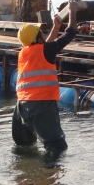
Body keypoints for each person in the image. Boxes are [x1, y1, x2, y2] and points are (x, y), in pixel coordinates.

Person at [12, 16, 78, 163]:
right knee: (57, 145)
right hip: (41, 104)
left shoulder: (24, 52)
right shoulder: (46, 50)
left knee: (25, 146)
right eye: (40, 33)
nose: (43, 34)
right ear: (37, 37)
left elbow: (45, 46)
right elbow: (70, 33)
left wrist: (56, 27)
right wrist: (73, 12)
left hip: (21, 107)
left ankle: (26, 172)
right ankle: (48, 177)